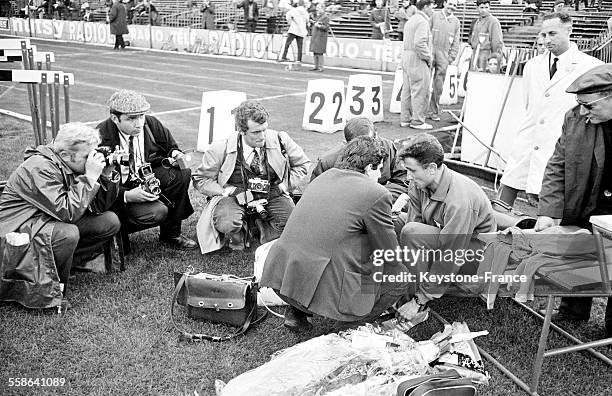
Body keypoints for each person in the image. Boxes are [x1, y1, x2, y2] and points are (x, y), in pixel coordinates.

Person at [261, 136, 409, 331]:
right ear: (370, 168)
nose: (381, 175)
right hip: (325, 286)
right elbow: (390, 255)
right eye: (380, 168)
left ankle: (297, 311)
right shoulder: (377, 193)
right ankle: (344, 330)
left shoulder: (323, 177)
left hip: (282, 279)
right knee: (401, 277)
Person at [0, 123, 121, 309]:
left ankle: (64, 265)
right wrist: (89, 178)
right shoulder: (39, 167)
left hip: (44, 220)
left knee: (109, 221)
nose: (92, 161)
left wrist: (105, 174)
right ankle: (52, 290)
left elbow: (97, 206)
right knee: (67, 233)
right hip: (17, 227)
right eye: (87, 157)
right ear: (65, 155)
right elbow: (67, 212)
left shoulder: (66, 162)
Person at [535, 64, 612, 338]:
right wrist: (548, 212)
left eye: (588, 106)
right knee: (579, 251)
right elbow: (557, 165)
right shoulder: (574, 118)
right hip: (585, 200)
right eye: (579, 104)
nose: (582, 112)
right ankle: (572, 309)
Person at [498, 12, 602, 208]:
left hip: (562, 143)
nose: (546, 40)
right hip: (529, 139)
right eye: (543, 35)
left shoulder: (590, 66)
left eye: (552, 34)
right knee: (504, 197)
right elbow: (530, 105)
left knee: (551, 208)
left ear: (569, 30)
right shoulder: (532, 65)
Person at [395, 133, 496, 317]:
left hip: (475, 257)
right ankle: (405, 290)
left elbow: (452, 253)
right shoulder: (420, 183)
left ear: (432, 168)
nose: (408, 176)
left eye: (412, 170)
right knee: (399, 222)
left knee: (411, 232)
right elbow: (414, 223)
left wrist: (422, 297)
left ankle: (418, 304)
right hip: (450, 240)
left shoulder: (460, 200)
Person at [192, 100, 310, 252]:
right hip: (234, 196)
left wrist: (283, 187)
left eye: (264, 130)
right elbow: (200, 179)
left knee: (293, 224)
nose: (262, 137)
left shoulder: (281, 140)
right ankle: (239, 229)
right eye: (256, 132)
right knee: (226, 222)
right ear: (241, 131)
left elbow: (303, 164)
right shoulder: (220, 148)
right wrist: (228, 191)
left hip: (273, 192)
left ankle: (260, 227)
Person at [96, 90, 198, 251]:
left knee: (181, 174)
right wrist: (126, 195)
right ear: (115, 118)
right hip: (119, 188)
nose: (139, 123)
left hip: (146, 175)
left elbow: (170, 147)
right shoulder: (100, 136)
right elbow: (97, 183)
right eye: (131, 118)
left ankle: (171, 233)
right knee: (156, 212)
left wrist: (175, 155)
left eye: (141, 116)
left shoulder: (151, 124)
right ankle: (117, 231)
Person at [311, 117, 409, 200]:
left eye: (369, 142)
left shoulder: (388, 147)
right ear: (346, 143)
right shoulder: (328, 161)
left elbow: (403, 183)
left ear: (376, 136)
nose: (365, 147)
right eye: (358, 145)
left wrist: (377, 195)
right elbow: (315, 194)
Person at [400, 0, 434, 130]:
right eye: (431, 7)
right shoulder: (422, 22)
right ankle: (418, 121)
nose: (433, 10)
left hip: (407, 56)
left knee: (407, 90)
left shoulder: (411, 20)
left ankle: (405, 119)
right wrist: (428, 57)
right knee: (420, 90)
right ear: (425, 7)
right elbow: (419, 43)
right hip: (417, 57)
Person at [428, 0, 460, 122]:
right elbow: (426, 33)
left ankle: (433, 112)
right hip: (430, 54)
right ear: (445, 3)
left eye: (455, 6)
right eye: (450, 4)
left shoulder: (456, 22)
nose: (452, 7)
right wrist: (427, 52)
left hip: (443, 57)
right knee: (424, 84)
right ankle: (419, 112)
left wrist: (450, 58)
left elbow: (456, 43)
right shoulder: (434, 15)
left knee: (438, 86)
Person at [469, 0, 503, 72]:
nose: (484, 10)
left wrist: (494, 58)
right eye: (481, 7)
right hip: (475, 53)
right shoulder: (476, 21)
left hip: (486, 54)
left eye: (486, 7)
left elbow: (496, 41)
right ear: (477, 8)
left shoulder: (493, 21)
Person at [309, 1, 329, 72]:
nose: (317, 9)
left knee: (319, 53)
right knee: (315, 52)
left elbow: (326, 27)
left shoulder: (325, 17)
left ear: (322, 9)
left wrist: (319, 26)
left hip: (320, 37)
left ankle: (321, 67)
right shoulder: (317, 16)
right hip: (315, 36)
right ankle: (316, 66)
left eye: (318, 8)